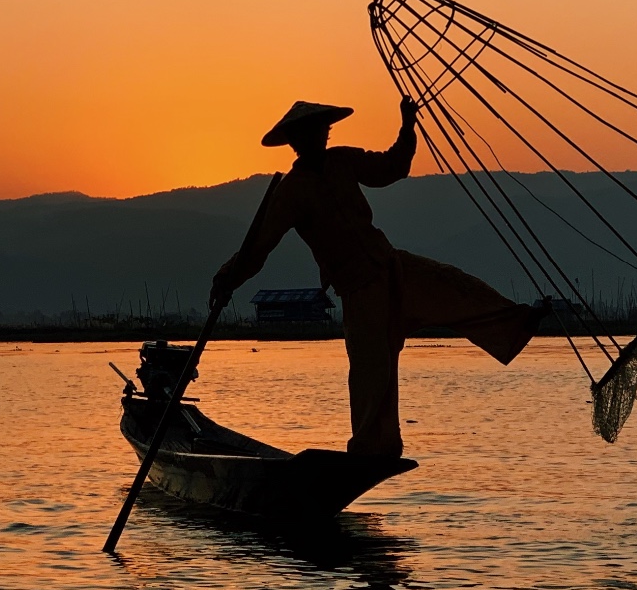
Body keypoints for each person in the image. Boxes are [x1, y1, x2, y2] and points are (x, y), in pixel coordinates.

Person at [210, 97, 545, 458]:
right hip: (358, 290)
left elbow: (390, 167)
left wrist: (407, 127)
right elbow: (257, 247)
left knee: (452, 285)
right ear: (295, 140)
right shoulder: (290, 192)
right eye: (311, 133)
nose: (320, 137)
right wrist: (226, 279)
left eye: (323, 131)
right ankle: (372, 448)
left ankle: (515, 323)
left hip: (390, 265)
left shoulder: (342, 160)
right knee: (374, 369)